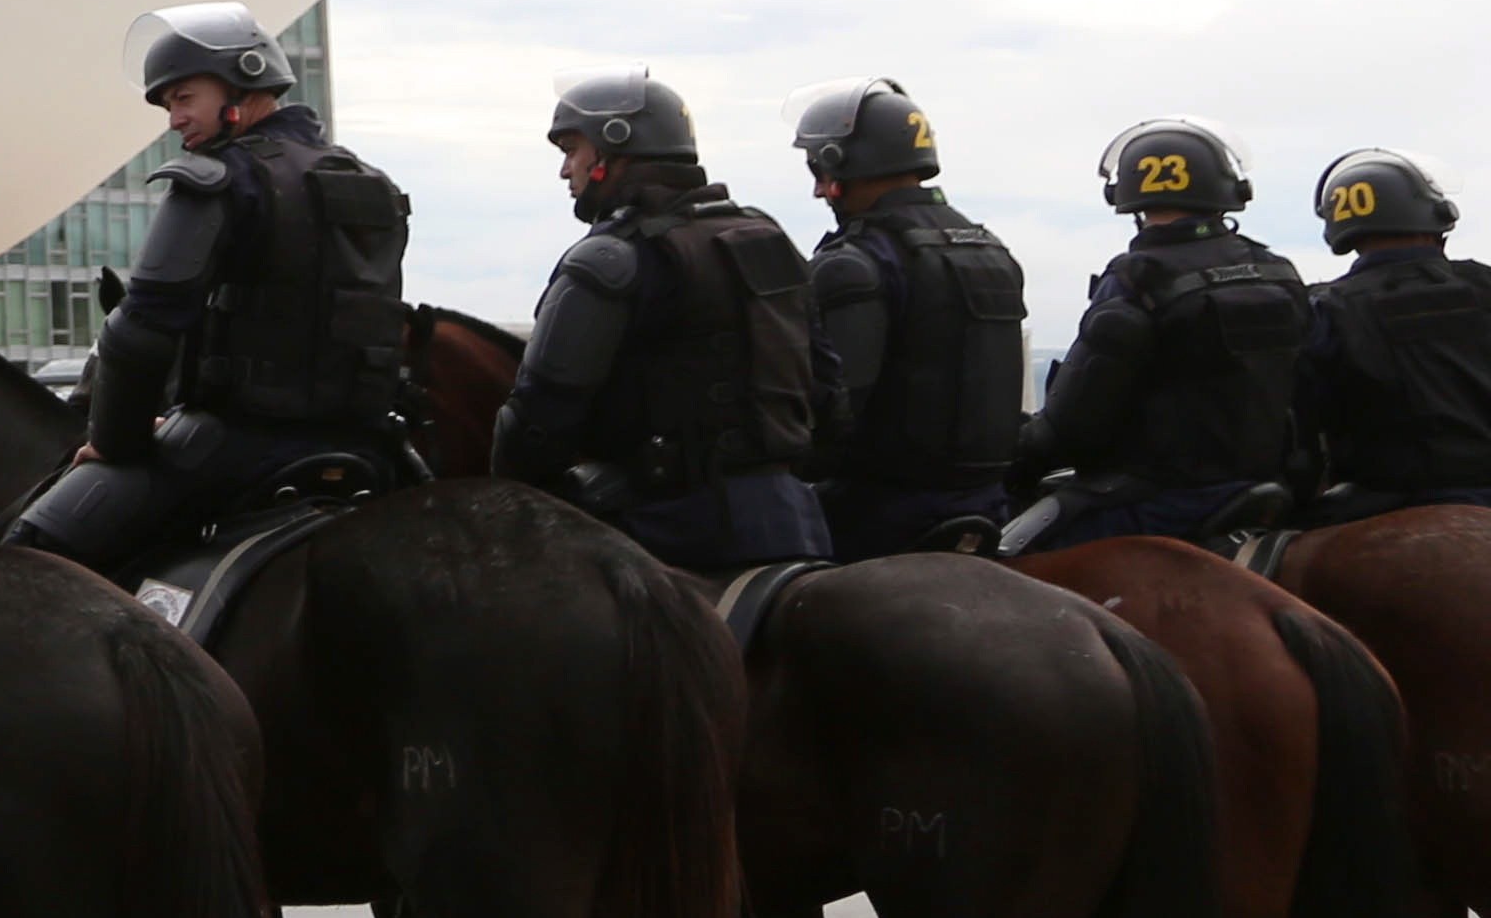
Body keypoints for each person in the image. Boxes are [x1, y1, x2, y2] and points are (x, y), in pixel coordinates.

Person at [7, 1, 415, 576]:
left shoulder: (221, 178)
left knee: (27, 560)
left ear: (241, 84)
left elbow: (142, 330)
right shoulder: (375, 185)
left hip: (239, 446)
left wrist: (118, 441)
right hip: (368, 447)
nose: (173, 119)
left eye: (182, 98)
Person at [493, 71, 829, 572]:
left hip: (668, 535)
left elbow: (538, 418)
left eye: (572, 150)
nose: (567, 170)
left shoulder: (610, 258)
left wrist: (505, 503)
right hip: (798, 523)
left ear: (610, 149)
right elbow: (829, 389)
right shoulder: (766, 237)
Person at [1010, 116, 1307, 552]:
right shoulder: (1279, 271)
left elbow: (1074, 423)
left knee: (1006, 555)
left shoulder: (1137, 280)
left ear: (1126, 194)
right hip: (1267, 489)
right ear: (1228, 189)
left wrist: (1014, 456)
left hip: (1159, 499)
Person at [789, 78, 1027, 557]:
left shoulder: (852, 263)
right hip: (987, 506)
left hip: (877, 514)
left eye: (818, 165)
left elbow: (832, 415)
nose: (818, 189)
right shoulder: (990, 249)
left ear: (839, 161)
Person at [1291, 148, 1491, 524]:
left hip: (1392, 501)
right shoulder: (1484, 284)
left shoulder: (1325, 308)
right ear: (1436, 217)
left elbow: (1301, 424)